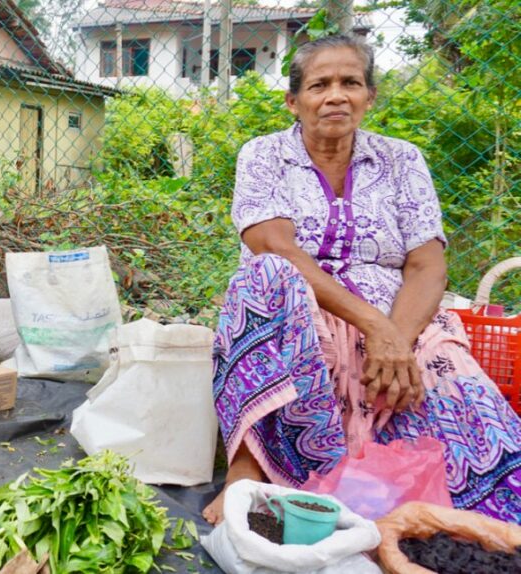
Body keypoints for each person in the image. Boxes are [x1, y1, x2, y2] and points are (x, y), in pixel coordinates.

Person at [204, 35, 521, 525]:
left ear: (369, 96)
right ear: (294, 101)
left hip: (399, 322)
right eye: (319, 85)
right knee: (265, 276)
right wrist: (376, 328)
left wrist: (397, 337)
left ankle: (422, 501)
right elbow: (274, 244)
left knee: (464, 412)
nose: (335, 95)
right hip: (302, 315)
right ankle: (248, 470)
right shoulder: (264, 155)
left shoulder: (402, 160)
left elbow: (427, 265)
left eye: (350, 82)